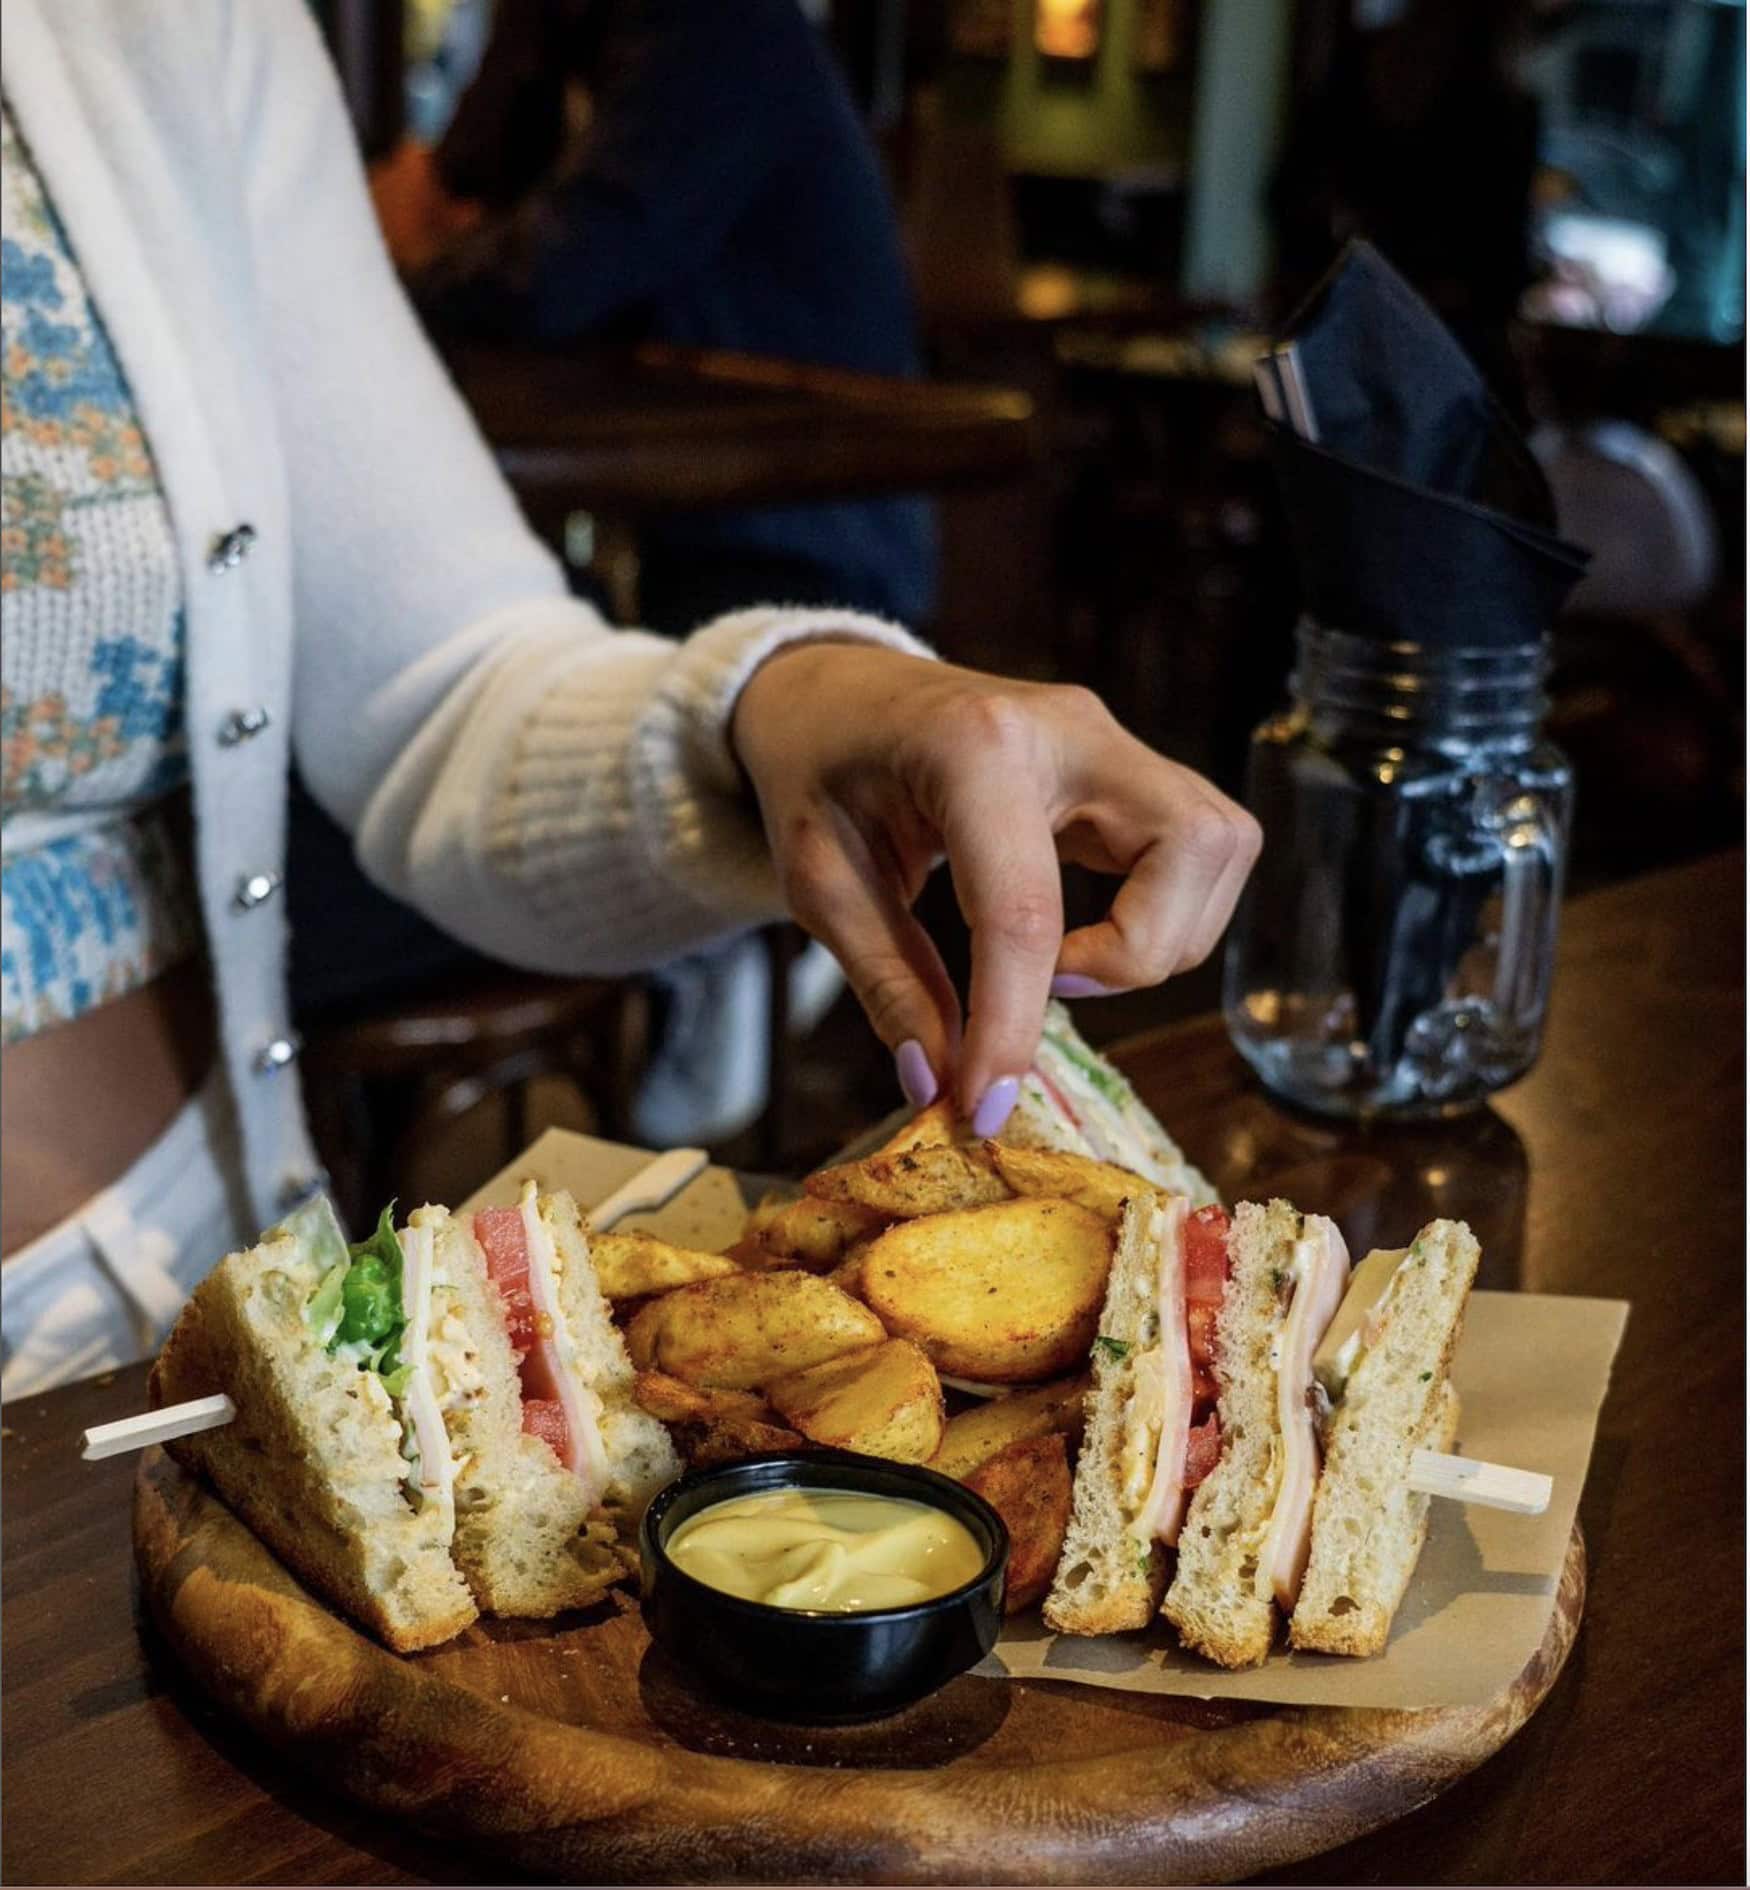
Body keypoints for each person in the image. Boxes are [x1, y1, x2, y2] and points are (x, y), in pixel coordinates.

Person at [0, 0, 1259, 1400]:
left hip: (180, 1306)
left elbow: (445, 683)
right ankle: (707, 974)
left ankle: (715, 952)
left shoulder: (181, 25)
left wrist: (787, 705)